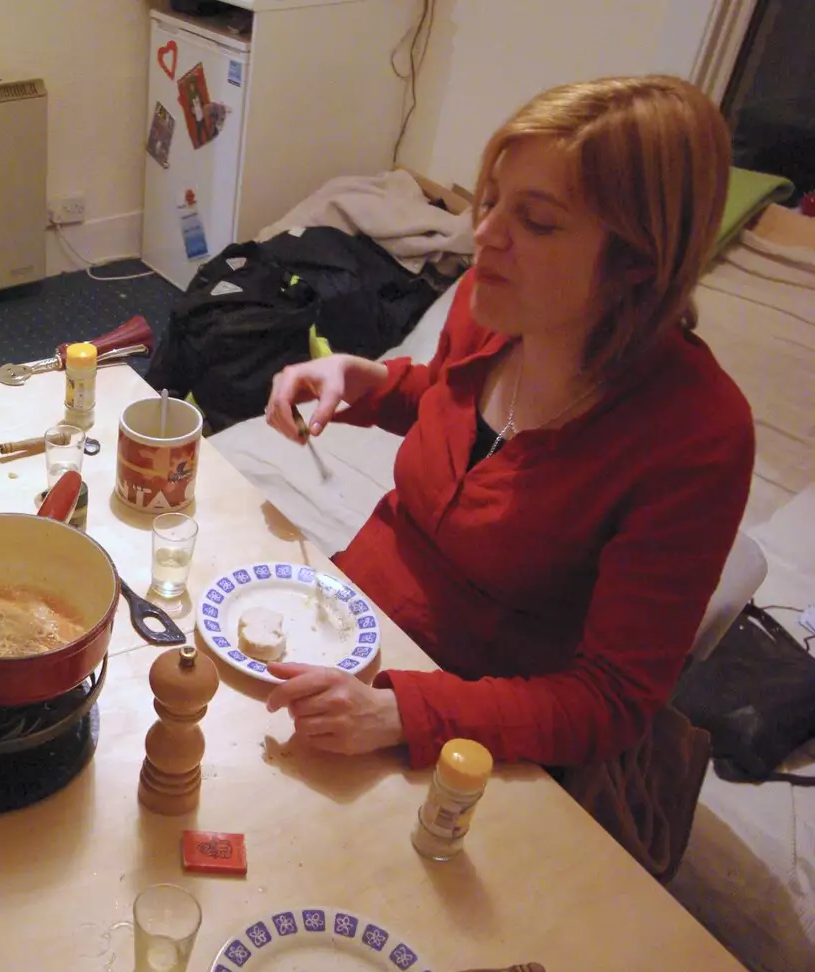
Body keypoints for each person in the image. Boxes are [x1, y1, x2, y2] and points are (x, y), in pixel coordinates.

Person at [261, 75, 753, 769]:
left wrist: (400, 713)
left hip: (479, 723)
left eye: (538, 221)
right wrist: (367, 380)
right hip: (351, 622)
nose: (482, 235)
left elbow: (611, 701)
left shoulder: (696, 436)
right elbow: (450, 405)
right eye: (491, 202)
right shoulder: (486, 303)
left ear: (640, 262)